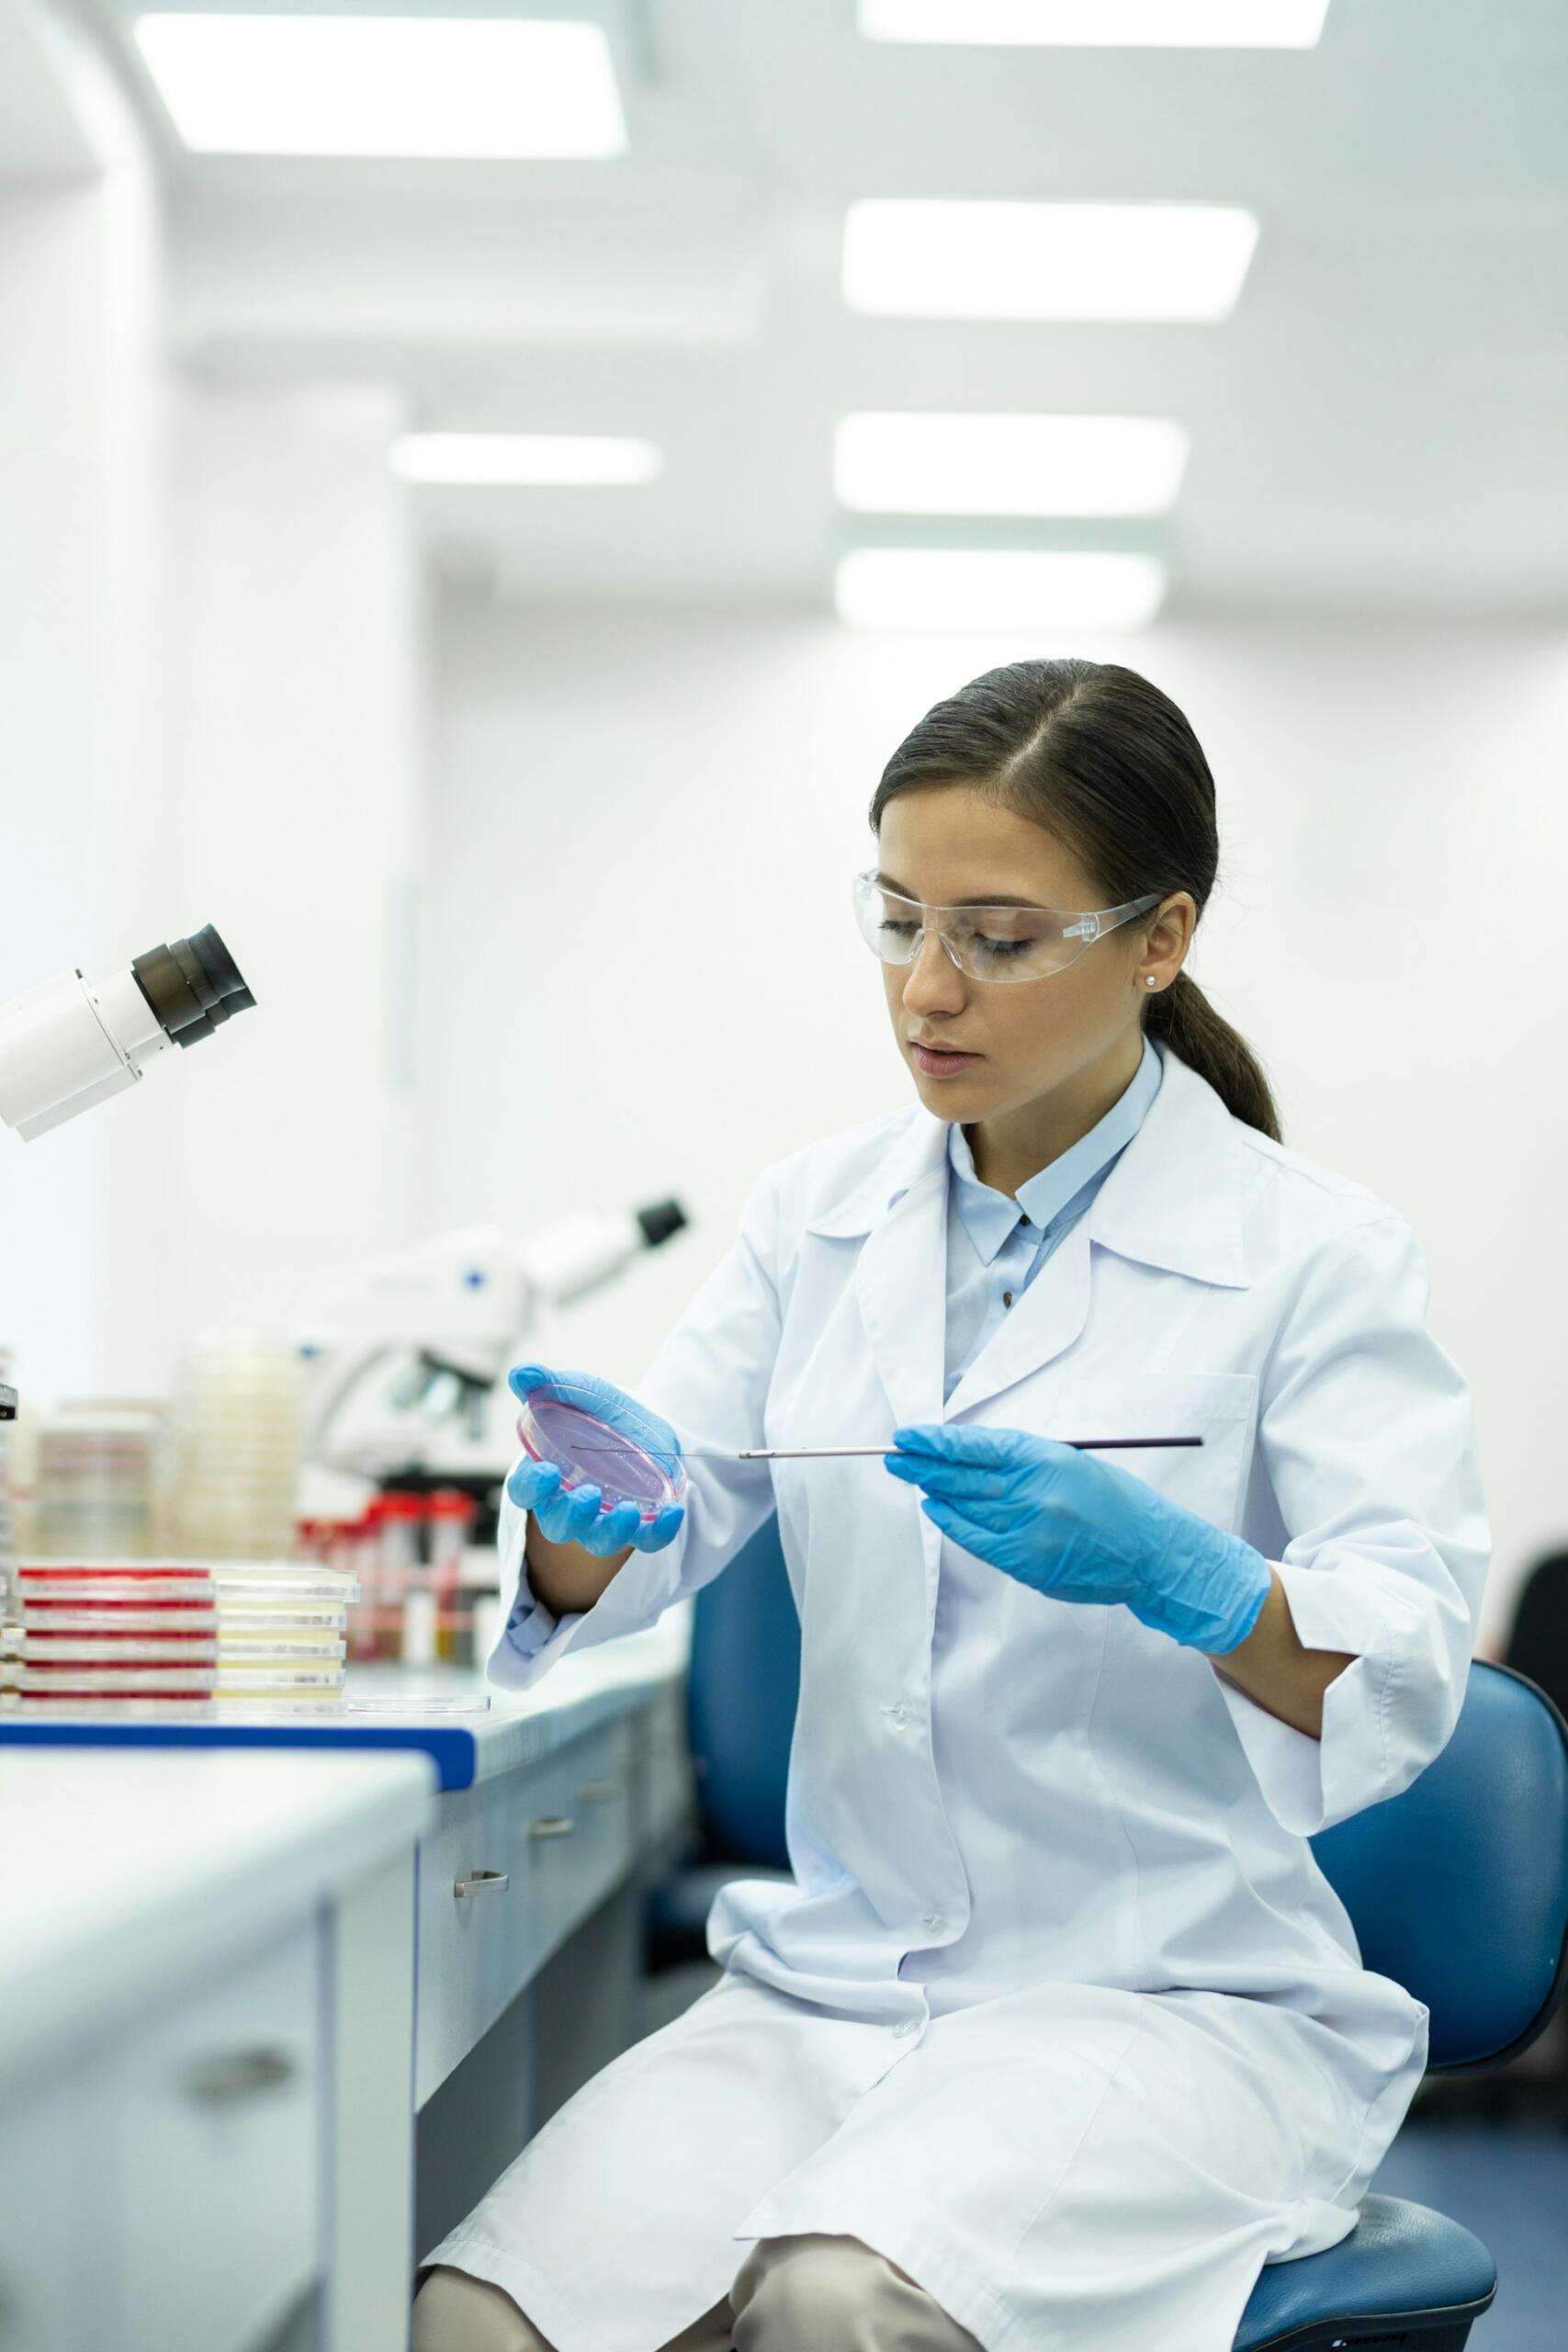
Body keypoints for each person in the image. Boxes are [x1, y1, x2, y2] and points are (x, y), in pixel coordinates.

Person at [412, 658, 1490, 2352]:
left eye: (996, 936)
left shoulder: (1312, 1255)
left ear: (1159, 938)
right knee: (482, 2316)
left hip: (1165, 2000)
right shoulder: (813, 1220)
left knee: (836, 2303)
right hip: (832, 1989)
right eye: (899, 920)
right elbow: (642, 1535)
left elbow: (1411, 1669)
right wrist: (584, 1516)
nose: (928, 989)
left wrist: (1200, 1585)